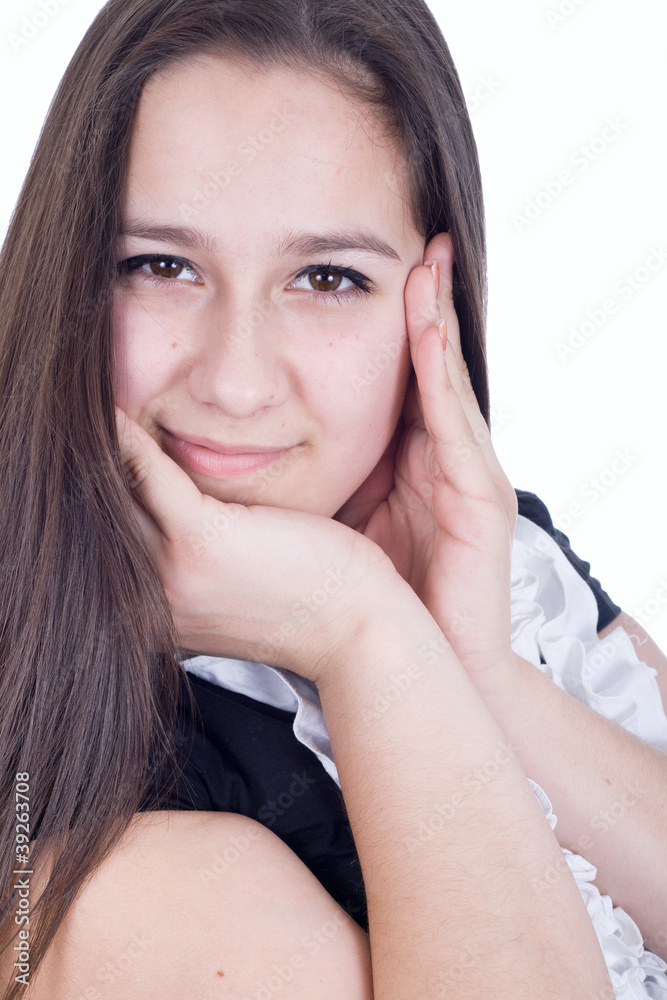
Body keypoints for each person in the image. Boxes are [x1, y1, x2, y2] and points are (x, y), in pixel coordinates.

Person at [0, 1, 665, 997]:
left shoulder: (482, 550)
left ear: (431, 297)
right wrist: (361, 629)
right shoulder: (118, 875)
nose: (236, 381)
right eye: (160, 265)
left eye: (325, 277)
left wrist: (477, 666)